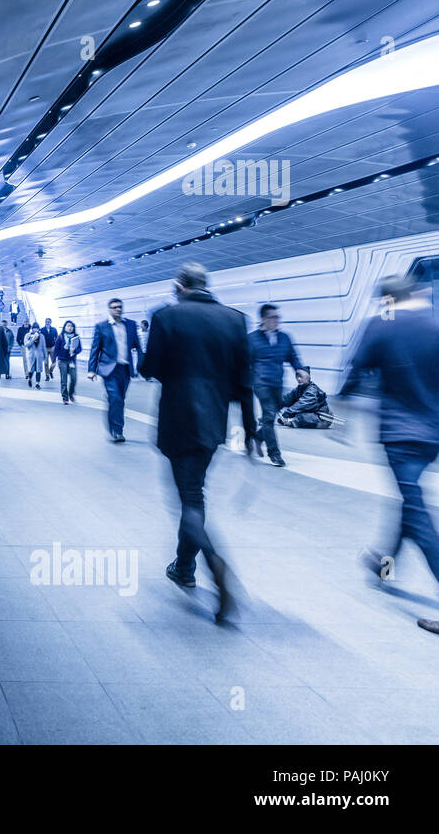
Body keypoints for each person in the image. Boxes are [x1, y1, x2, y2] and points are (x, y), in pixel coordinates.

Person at [138, 263, 256, 625]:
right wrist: (251, 433)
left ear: (179, 286)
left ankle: (216, 568)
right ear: (206, 284)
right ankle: (184, 566)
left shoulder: (166, 316)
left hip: (178, 421)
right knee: (195, 493)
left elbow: (149, 368)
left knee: (188, 500)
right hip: (212, 426)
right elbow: (244, 383)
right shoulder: (235, 320)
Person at [341, 274, 439, 620]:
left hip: (400, 435)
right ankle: (382, 565)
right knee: (408, 503)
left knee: (416, 513)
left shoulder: (382, 324)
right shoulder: (434, 323)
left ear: (387, 301)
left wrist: (344, 418)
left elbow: (355, 373)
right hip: (432, 435)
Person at [248, 303, 303, 468]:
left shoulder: (285, 338)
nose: (276, 321)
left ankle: (257, 437)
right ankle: (275, 455)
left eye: (277, 317)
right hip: (260, 383)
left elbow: (293, 357)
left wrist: (301, 370)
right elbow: (243, 362)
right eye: (273, 317)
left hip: (277, 383)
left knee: (273, 413)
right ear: (263, 319)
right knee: (270, 414)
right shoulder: (251, 339)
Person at [87, 298, 142, 443]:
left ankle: (114, 424)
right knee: (116, 398)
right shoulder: (101, 326)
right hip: (109, 370)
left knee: (120, 400)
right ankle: (118, 431)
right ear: (109, 309)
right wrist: (91, 369)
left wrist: (142, 365)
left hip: (125, 369)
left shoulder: (130, 325)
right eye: (114, 307)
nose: (118, 309)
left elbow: (138, 346)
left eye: (120, 307)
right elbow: (95, 349)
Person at [54, 319, 82, 405]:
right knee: (64, 380)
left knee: (74, 379)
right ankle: (65, 398)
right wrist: (54, 360)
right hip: (62, 361)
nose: (70, 328)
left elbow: (80, 348)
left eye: (71, 326)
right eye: (68, 326)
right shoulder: (61, 336)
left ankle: (71, 393)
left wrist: (75, 350)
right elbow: (56, 349)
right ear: (65, 327)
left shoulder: (76, 337)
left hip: (71, 361)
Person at [23, 322, 45, 388]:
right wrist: (33, 339)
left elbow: (44, 346)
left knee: (39, 370)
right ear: (32, 329)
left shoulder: (41, 336)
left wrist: (45, 355)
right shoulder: (27, 335)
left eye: (37, 328)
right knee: (31, 370)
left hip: (39, 355)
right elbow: (26, 345)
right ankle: (30, 379)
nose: (35, 330)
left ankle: (37, 384)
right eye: (34, 328)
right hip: (31, 355)